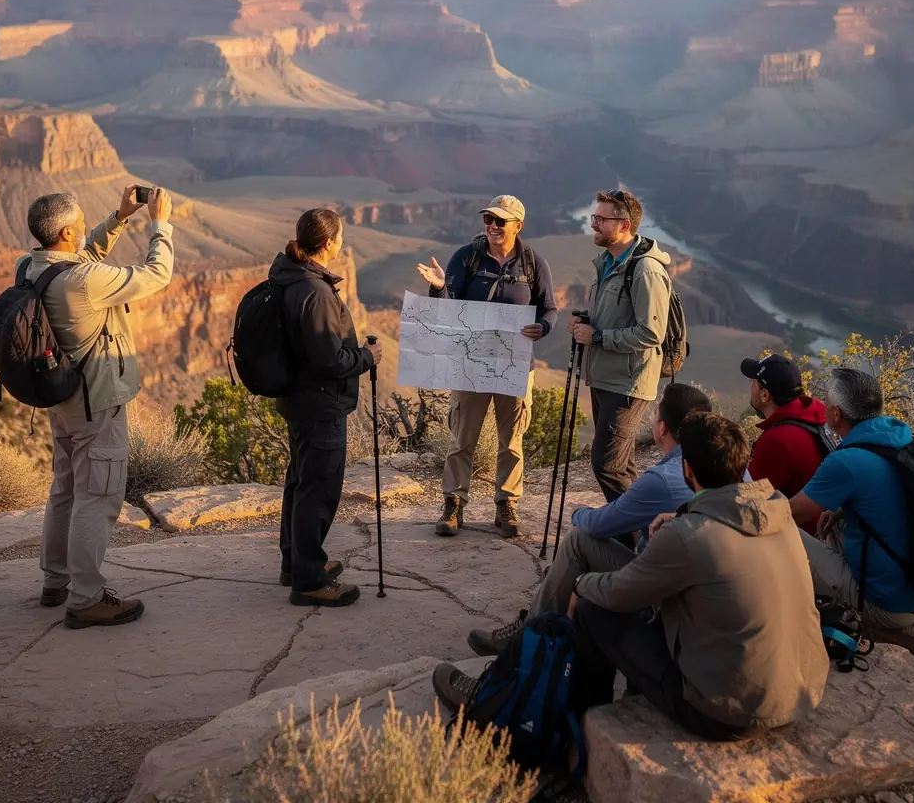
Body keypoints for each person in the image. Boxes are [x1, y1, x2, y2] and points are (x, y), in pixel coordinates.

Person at [434, 413, 829, 741]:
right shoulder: (774, 511)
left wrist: (579, 586)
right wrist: (683, 516)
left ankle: (553, 710)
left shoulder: (690, 537)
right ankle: (536, 661)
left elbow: (621, 594)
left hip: (724, 713)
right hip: (800, 694)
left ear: (688, 468)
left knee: (592, 610)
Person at [463, 382, 712, 657]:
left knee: (579, 539)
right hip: (700, 595)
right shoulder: (733, 467)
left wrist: (578, 511)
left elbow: (597, 525)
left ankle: (528, 635)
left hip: (663, 597)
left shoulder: (661, 480)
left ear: (662, 428)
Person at [24, 186, 174, 629]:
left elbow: (81, 258)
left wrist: (119, 217)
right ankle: (86, 598)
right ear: (67, 231)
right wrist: (159, 223)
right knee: (100, 495)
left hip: (62, 399)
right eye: (81, 223)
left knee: (66, 486)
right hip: (97, 402)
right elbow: (156, 274)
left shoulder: (32, 267)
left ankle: (56, 581)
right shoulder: (84, 283)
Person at [416, 194, 557, 539]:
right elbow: (447, 309)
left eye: (501, 221)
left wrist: (544, 327)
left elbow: (549, 308)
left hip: (515, 364)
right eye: (488, 220)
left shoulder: (533, 263)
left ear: (518, 226)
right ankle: (453, 503)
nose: (493, 226)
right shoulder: (467, 257)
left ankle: (506, 505)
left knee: (512, 440)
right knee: (463, 436)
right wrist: (437, 288)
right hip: (471, 362)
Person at [271, 208, 382, 608]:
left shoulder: (289, 276)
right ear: (330, 242)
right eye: (341, 237)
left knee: (300, 484)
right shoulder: (314, 292)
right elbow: (329, 360)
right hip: (320, 404)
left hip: (298, 401)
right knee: (317, 491)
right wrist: (368, 356)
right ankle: (309, 580)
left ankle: (295, 563)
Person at [790, 367, 914, 630]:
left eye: (826, 400)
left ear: (836, 414)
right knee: (835, 520)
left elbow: (787, 513)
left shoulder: (845, 462)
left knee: (780, 532)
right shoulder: (901, 439)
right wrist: (839, 511)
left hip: (887, 606)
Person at [570, 190, 672, 501]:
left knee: (607, 465)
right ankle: (647, 528)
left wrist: (597, 337)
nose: (594, 224)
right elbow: (616, 313)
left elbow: (652, 333)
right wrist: (586, 320)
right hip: (605, 375)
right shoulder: (608, 262)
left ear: (623, 224)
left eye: (600, 219)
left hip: (628, 382)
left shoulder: (646, 270)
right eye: (593, 217)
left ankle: (630, 536)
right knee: (622, 466)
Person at [741, 353, 828, 534]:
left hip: (804, 537)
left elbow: (747, 501)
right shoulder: (815, 414)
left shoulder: (778, 440)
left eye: (754, 382)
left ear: (764, 395)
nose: (750, 384)